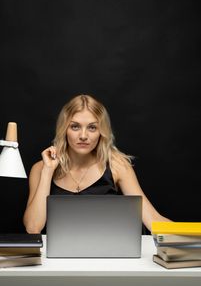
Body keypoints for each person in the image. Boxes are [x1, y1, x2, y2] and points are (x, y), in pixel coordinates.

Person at [23, 94, 171, 234]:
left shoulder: (117, 166)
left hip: (106, 254)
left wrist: (191, 239)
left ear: (102, 131)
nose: (83, 136)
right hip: (56, 258)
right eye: (75, 126)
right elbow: (33, 228)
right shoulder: (41, 168)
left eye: (92, 127)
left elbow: (153, 220)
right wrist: (48, 172)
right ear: (64, 130)